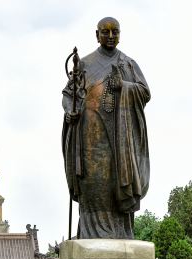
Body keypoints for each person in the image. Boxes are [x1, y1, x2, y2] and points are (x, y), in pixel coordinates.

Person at [62, 17, 150, 239]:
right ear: (97, 34)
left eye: (115, 32)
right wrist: (70, 111)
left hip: (119, 135)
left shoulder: (128, 64)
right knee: (93, 182)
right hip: (90, 134)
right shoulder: (84, 64)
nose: (110, 36)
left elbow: (144, 92)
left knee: (117, 179)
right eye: (105, 32)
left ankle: (120, 232)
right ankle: (90, 232)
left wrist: (124, 86)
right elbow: (68, 95)